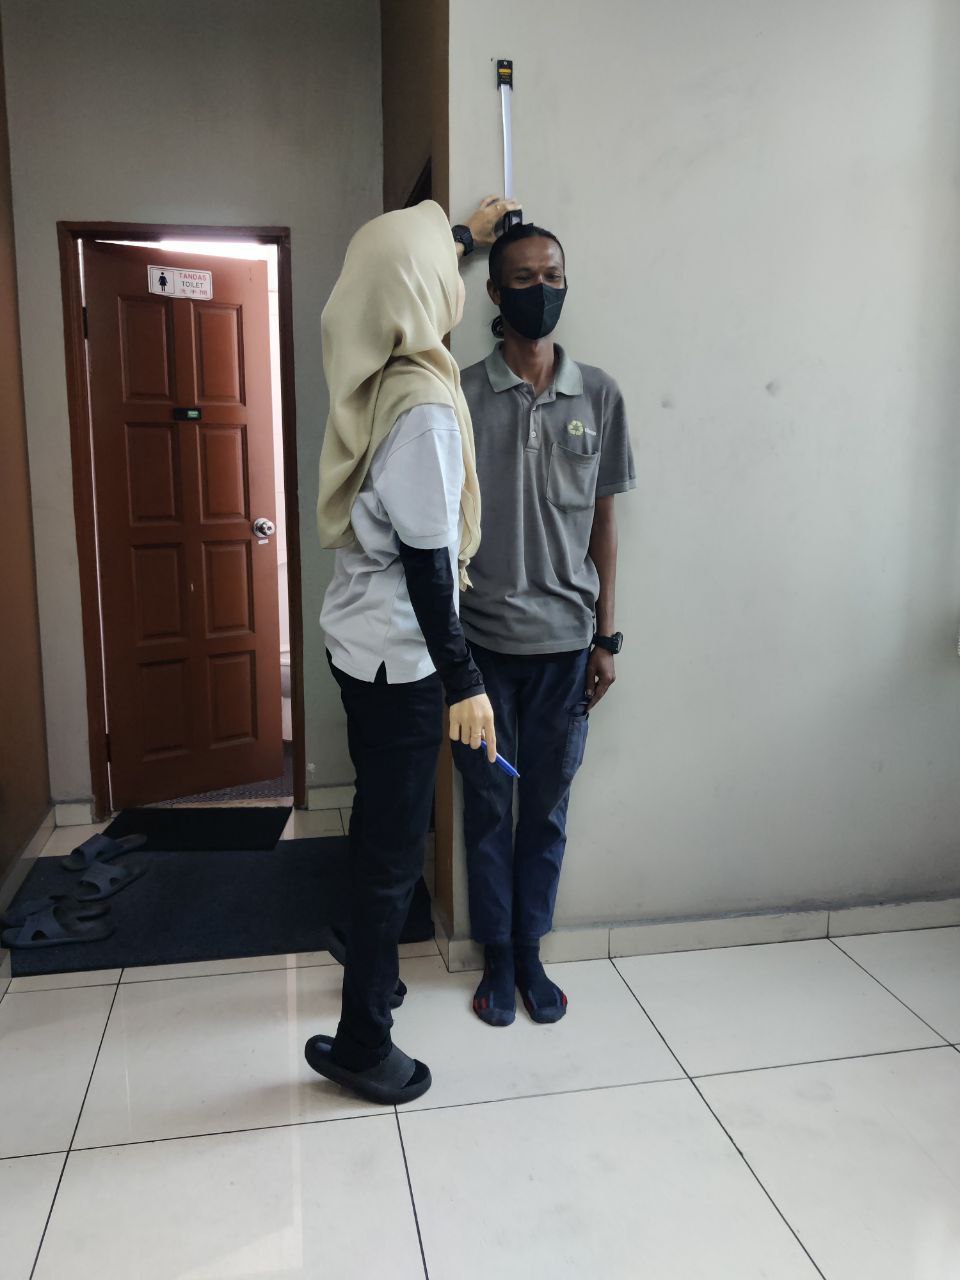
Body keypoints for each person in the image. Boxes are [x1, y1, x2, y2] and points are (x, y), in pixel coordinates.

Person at [304, 199, 501, 1106]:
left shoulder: (375, 371)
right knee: (392, 851)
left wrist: (465, 235)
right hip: (404, 660)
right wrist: (467, 684)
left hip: (360, 643)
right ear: (420, 292)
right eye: (443, 270)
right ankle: (363, 1043)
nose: (451, 280)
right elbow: (429, 562)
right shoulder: (423, 406)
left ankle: (368, 957)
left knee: (379, 826)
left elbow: (408, 265)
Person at [455, 221, 636, 1027]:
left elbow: (605, 525)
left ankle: (531, 951)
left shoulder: (599, 395)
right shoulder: (460, 395)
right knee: (491, 808)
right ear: (495, 293)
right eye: (524, 278)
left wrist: (606, 637)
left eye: (552, 275)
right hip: (482, 653)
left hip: (567, 651)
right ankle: (496, 956)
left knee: (547, 812)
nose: (541, 290)